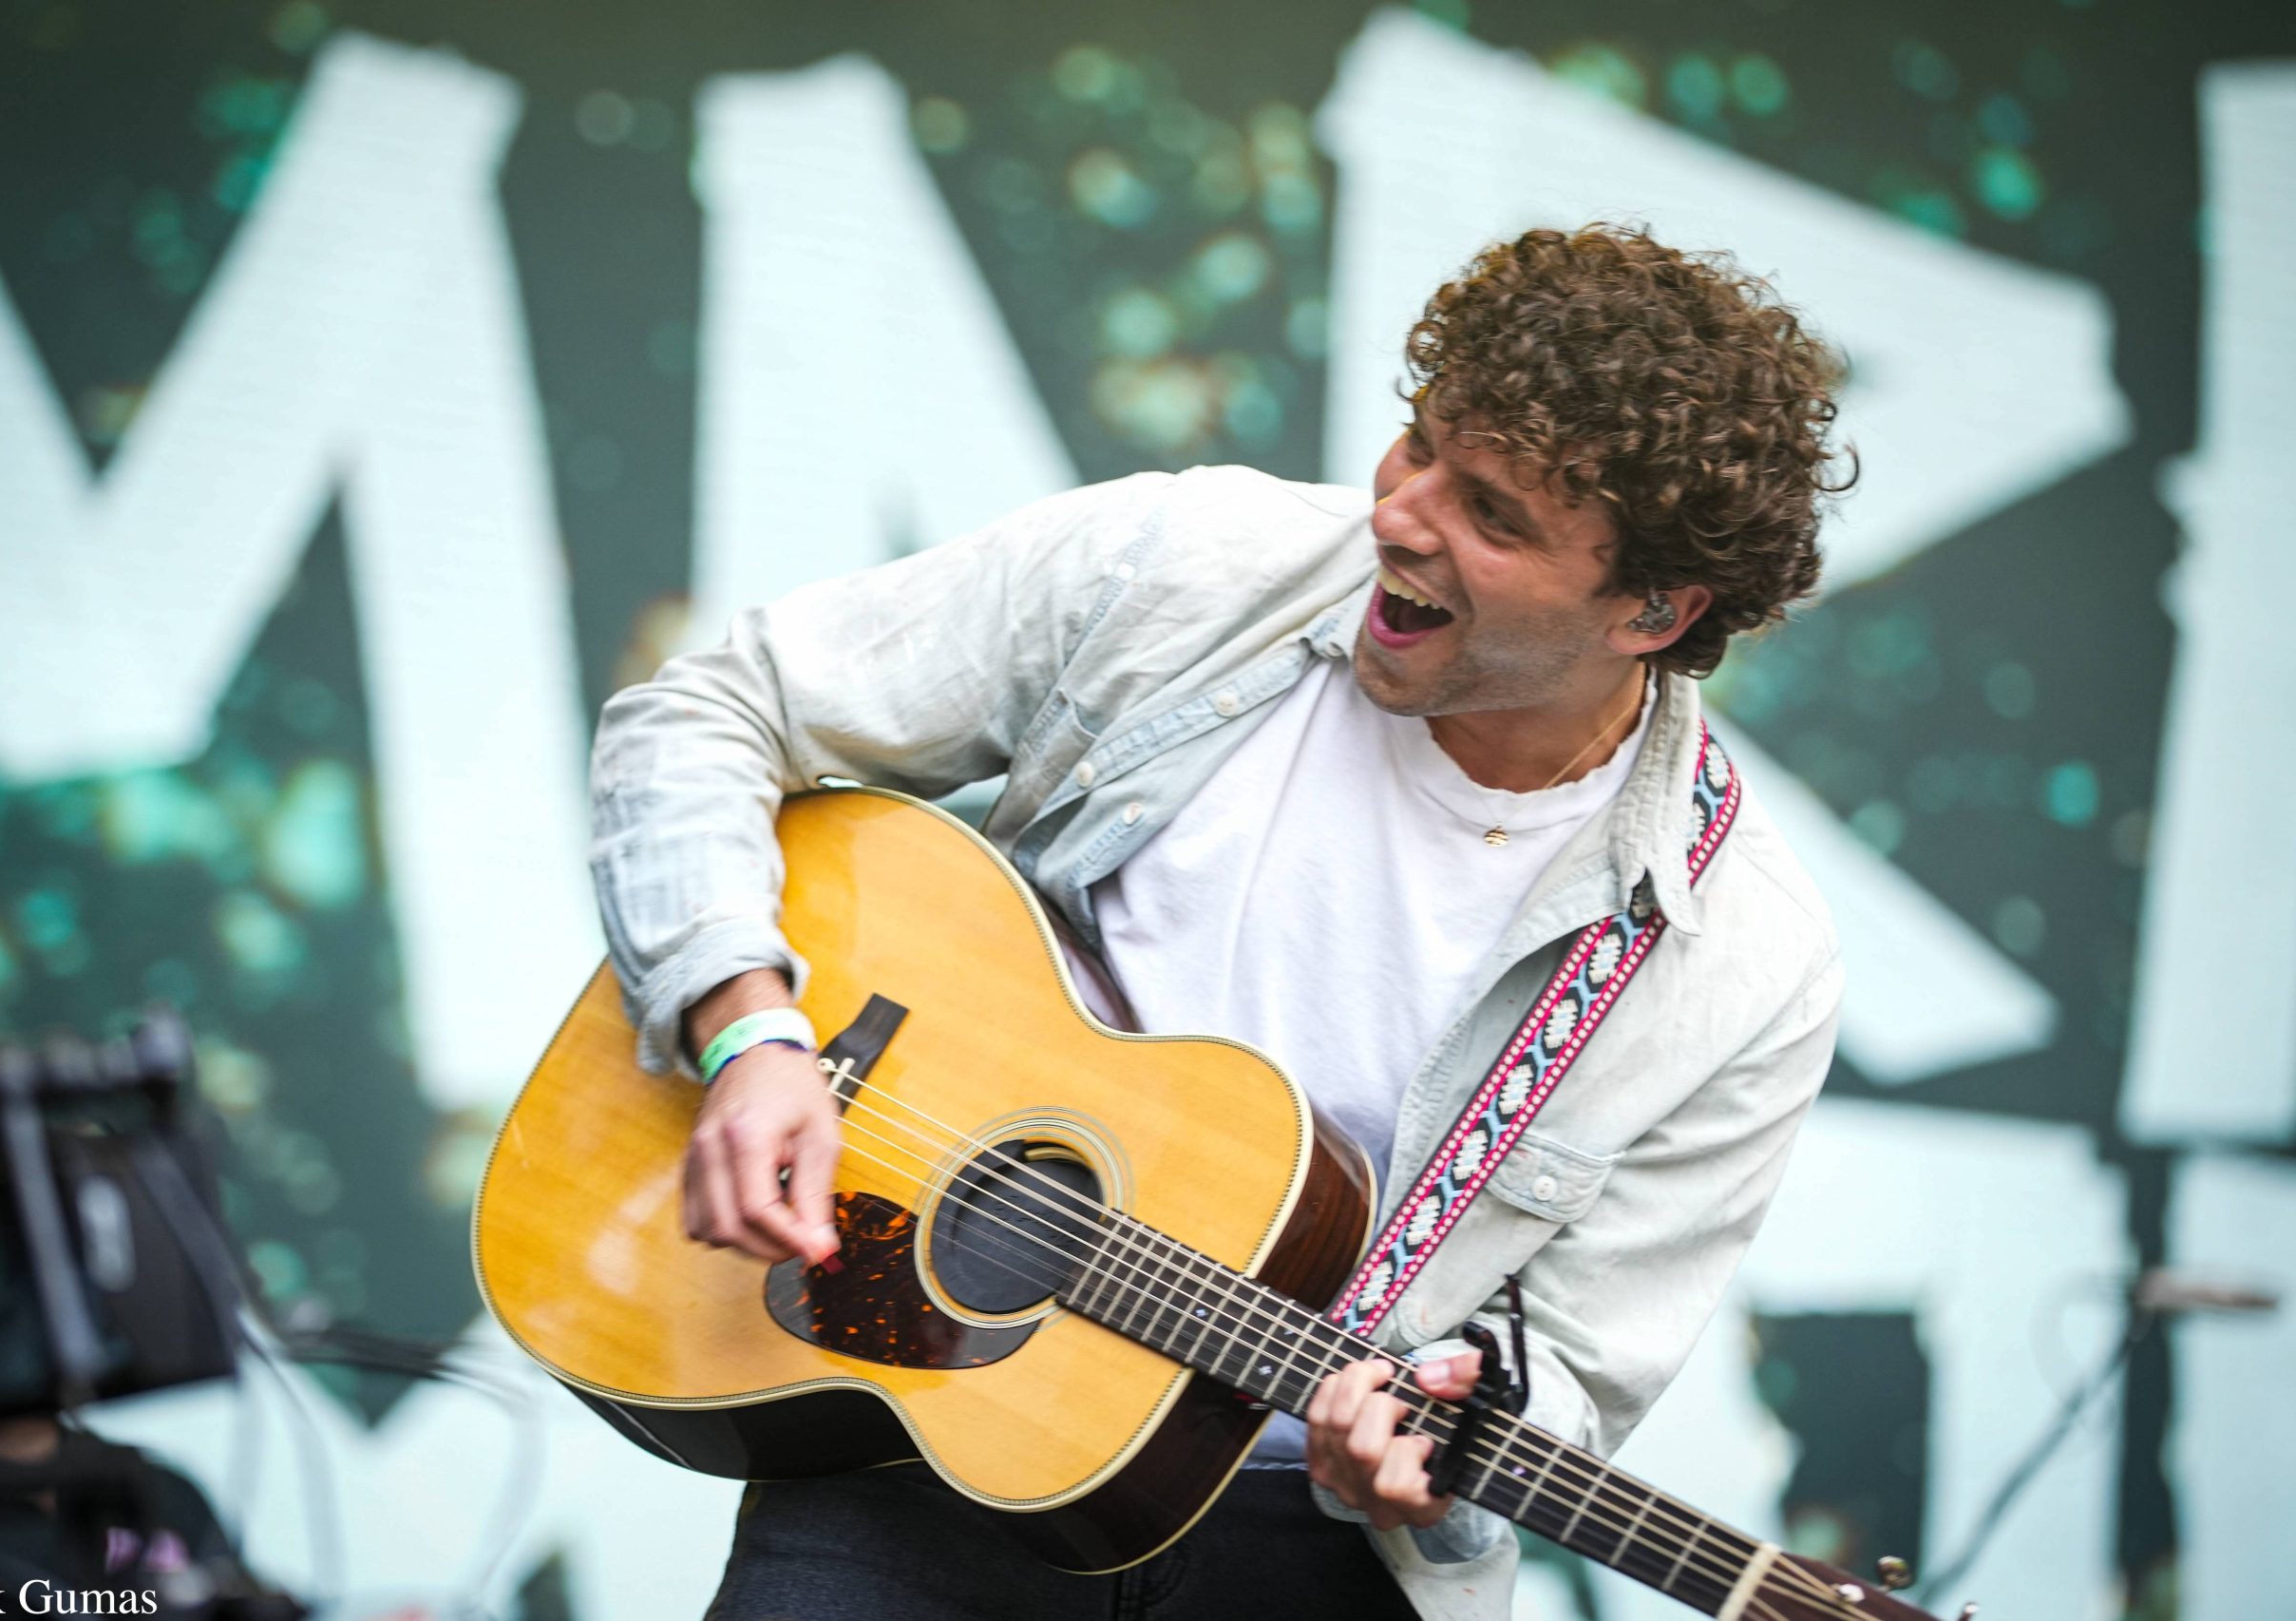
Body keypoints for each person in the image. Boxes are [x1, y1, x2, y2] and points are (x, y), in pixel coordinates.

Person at [589, 224, 1850, 1620]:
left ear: (1653, 611)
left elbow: (1573, 1377)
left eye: (1493, 515)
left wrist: (1435, 1456)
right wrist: (749, 1031)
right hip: (926, 1444)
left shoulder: (1746, 960)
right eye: (1418, 443)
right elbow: (707, 711)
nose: (1400, 515)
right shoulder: (1180, 565)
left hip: (1310, 1549)